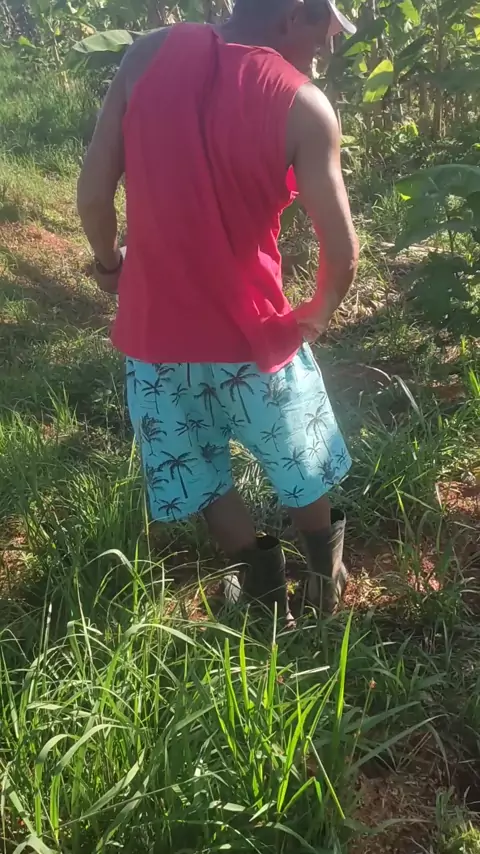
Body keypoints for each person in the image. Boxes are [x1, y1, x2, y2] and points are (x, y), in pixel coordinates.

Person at [77, 0, 359, 622]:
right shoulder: (303, 104)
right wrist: (318, 311)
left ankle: (264, 596)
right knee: (299, 457)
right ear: (293, 15)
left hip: (155, 338)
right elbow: (341, 251)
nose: (328, 47)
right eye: (325, 28)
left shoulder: (146, 56)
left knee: (200, 470)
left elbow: (94, 194)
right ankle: (325, 576)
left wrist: (109, 263)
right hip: (256, 336)